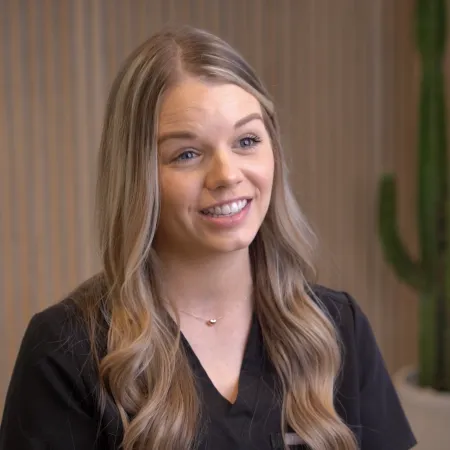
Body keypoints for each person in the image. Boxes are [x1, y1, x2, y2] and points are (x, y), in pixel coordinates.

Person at [0, 26, 416, 450]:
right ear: (137, 176)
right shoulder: (65, 350)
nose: (227, 175)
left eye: (247, 141)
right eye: (187, 154)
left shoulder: (336, 326)